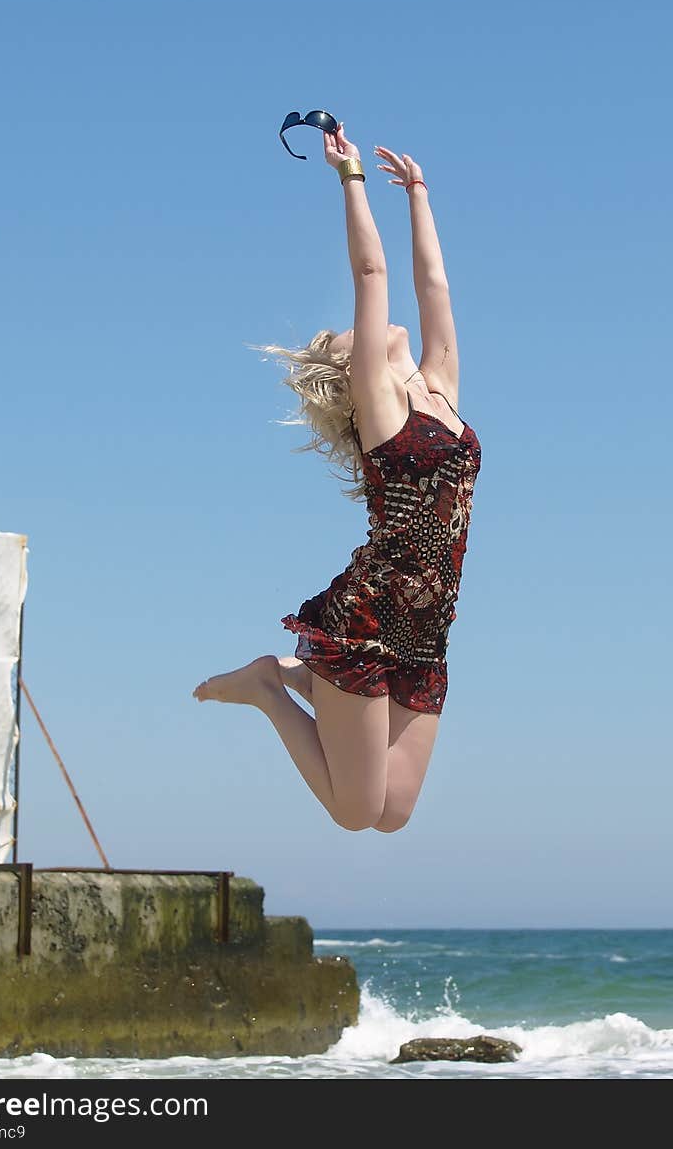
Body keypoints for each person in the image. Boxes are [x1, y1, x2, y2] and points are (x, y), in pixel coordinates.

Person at [193, 120, 482, 833]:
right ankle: (272, 683)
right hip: (368, 618)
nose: (361, 326)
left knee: (395, 813)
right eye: (347, 337)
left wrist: (419, 194)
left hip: (427, 631)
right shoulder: (381, 411)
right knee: (356, 812)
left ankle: (308, 678)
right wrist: (350, 178)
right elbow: (373, 275)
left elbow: (434, 282)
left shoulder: (441, 390)